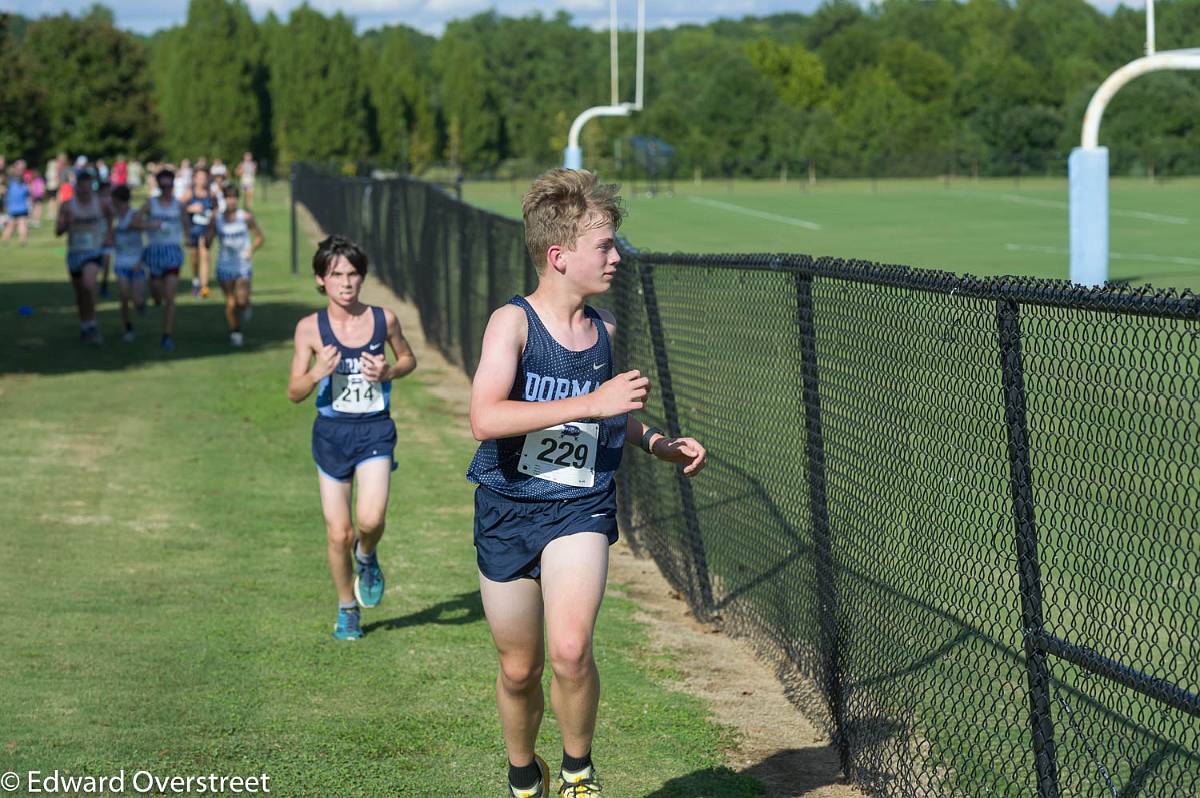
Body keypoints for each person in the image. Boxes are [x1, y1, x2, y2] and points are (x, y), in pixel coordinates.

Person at [466, 169, 707, 797]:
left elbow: (613, 415)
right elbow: (484, 418)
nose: (616, 257)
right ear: (559, 255)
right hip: (509, 508)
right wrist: (590, 405)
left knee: (570, 650)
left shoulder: (605, 330)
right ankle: (525, 771)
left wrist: (657, 443)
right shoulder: (511, 324)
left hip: (580, 504)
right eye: (603, 246)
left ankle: (577, 770)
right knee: (519, 668)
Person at [287, 235, 417, 641]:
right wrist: (315, 374)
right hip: (331, 433)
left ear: (362, 277)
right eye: (336, 274)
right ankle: (347, 608)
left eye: (353, 274)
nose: (346, 282)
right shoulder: (309, 328)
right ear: (321, 280)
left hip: (375, 428)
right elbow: (293, 392)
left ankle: (367, 555)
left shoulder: (384, 320)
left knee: (370, 520)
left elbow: (408, 359)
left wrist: (388, 372)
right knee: (338, 532)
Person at [55, 167, 113, 344]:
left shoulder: (101, 203)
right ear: (77, 186)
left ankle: (93, 324)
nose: (85, 190)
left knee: (89, 284)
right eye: (82, 186)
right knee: (80, 293)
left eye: (88, 186)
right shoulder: (67, 205)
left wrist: (108, 234)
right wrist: (66, 223)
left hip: (94, 251)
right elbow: (58, 231)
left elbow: (110, 216)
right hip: (74, 253)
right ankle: (86, 326)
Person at [207, 185, 263, 347]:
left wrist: (250, 250)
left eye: (233, 197)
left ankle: (245, 307)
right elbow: (208, 242)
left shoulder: (245, 217)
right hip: (224, 264)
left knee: (242, 300)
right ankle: (235, 332)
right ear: (223, 200)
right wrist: (209, 226)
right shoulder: (217, 218)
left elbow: (259, 237)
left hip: (243, 264)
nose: (231, 201)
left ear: (237, 199)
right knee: (231, 302)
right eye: (227, 198)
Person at [139, 168, 188, 350]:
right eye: (163, 185)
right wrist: (150, 224)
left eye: (170, 185)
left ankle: (167, 334)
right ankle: (155, 299)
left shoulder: (179, 205)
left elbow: (185, 225)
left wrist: (189, 237)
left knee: (170, 296)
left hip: (173, 252)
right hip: (154, 251)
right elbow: (135, 222)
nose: (167, 188)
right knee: (156, 291)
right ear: (159, 186)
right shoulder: (151, 204)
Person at [111, 185, 155, 342]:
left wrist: (142, 260)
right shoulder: (114, 217)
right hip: (121, 263)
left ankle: (141, 305)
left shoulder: (134, 215)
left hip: (136, 263)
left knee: (136, 299)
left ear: (117, 200)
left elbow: (148, 236)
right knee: (123, 296)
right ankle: (128, 327)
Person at [183, 167, 214, 298]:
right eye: (199, 178)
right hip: (192, 230)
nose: (202, 180)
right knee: (194, 258)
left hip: (205, 231)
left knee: (205, 255)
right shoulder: (190, 193)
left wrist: (212, 216)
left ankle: (204, 287)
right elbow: (178, 207)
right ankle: (195, 280)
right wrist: (191, 208)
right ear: (195, 179)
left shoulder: (211, 194)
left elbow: (217, 210)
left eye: (204, 178)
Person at [2, 161, 30, 246]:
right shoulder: (24, 180)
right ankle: (23, 241)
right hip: (22, 205)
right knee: (22, 223)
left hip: (13, 206)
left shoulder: (10, 180)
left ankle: (5, 240)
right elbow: (27, 192)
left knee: (11, 225)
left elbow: (5, 190)